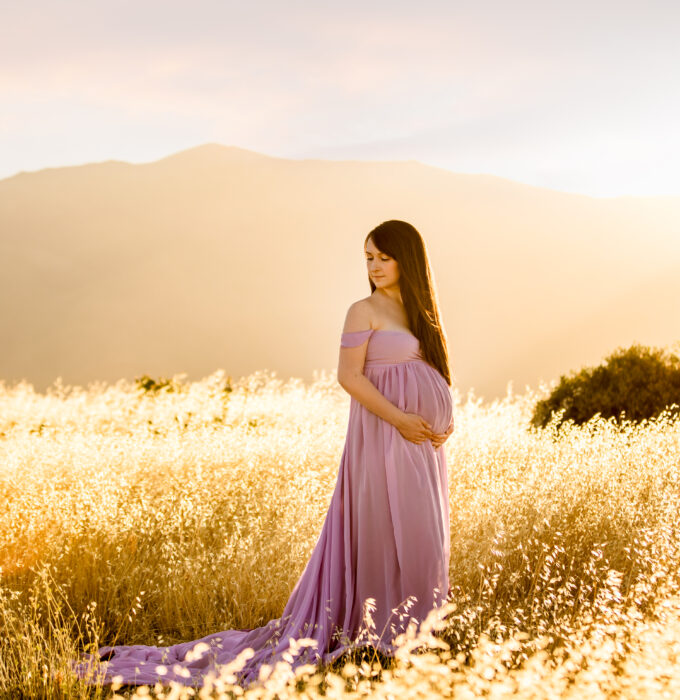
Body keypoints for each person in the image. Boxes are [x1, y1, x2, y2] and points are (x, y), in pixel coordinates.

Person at [71, 219, 454, 689]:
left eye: (383, 258)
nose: (374, 266)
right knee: (382, 530)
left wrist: (442, 418)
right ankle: (375, 632)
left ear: (407, 260)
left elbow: (432, 371)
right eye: (368, 257)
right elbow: (349, 378)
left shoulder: (419, 311)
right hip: (383, 438)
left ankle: (418, 633)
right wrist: (400, 419)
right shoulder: (363, 310)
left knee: (421, 537)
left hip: (420, 446)